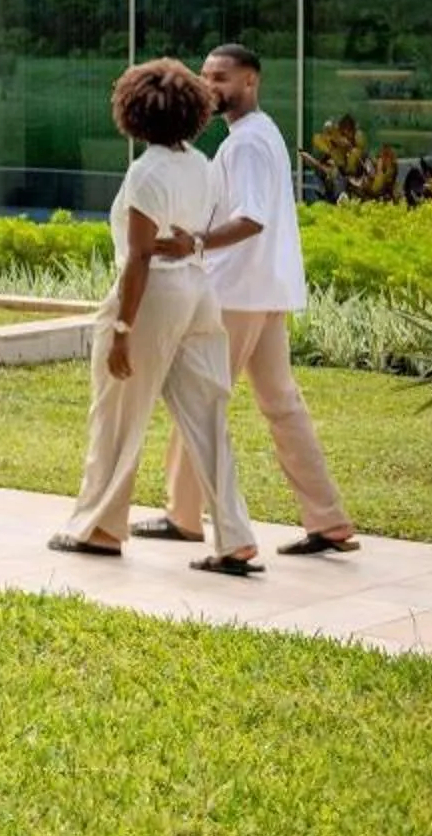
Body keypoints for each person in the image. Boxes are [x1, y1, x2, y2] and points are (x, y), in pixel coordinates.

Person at [134, 43, 359, 557]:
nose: (210, 86)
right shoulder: (260, 134)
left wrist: (194, 243)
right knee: (282, 404)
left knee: (198, 399)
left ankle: (183, 516)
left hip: (235, 294)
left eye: (222, 78)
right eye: (206, 76)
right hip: (264, 291)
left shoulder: (246, 145)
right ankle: (329, 520)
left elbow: (251, 218)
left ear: (251, 81)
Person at [50, 57, 262, 575]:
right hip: (197, 292)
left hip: (154, 298)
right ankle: (235, 538)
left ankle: (100, 529)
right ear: (192, 110)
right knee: (208, 419)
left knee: (118, 414)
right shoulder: (200, 164)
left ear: (134, 112)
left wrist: (122, 329)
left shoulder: (146, 172)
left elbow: (140, 257)